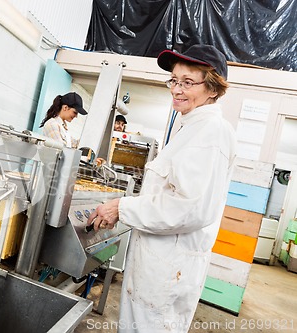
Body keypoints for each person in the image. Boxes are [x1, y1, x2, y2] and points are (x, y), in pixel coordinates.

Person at [87, 44, 236, 333]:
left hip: (168, 272)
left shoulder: (211, 132)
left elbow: (189, 207)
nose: (177, 89)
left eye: (188, 82)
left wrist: (121, 207)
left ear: (214, 89)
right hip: (158, 266)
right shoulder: (191, 126)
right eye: (174, 80)